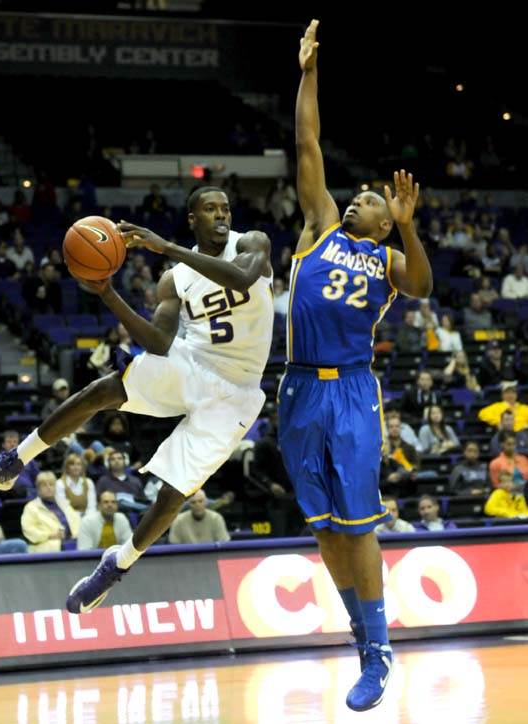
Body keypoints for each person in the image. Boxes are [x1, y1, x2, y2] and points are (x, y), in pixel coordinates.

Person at [0, 183, 273, 615]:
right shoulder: (173, 280)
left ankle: (116, 564)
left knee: (174, 491)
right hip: (193, 363)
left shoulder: (252, 243)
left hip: (237, 391)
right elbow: (159, 342)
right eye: (210, 209)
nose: (222, 215)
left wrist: (168, 247)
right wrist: (107, 293)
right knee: (107, 386)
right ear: (193, 218)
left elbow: (240, 277)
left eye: (225, 208)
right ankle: (14, 461)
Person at [277, 20, 432, 713]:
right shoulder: (316, 228)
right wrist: (308, 73)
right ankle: (357, 632)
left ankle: (378, 650)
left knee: (360, 522)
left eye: (370, 198)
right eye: (360, 195)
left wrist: (407, 226)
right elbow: (307, 144)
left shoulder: (387, 258)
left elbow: (425, 287)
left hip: (353, 392)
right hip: (297, 387)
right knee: (325, 528)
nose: (357, 198)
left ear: (381, 219)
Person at [20, 471, 80, 553]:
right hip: (47, 545)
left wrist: (76, 534)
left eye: (51, 484)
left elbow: (77, 522)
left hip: (71, 541)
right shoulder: (31, 507)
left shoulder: (64, 504)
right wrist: (50, 535)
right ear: (38, 489)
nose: (49, 488)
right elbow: (29, 530)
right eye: (44, 485)